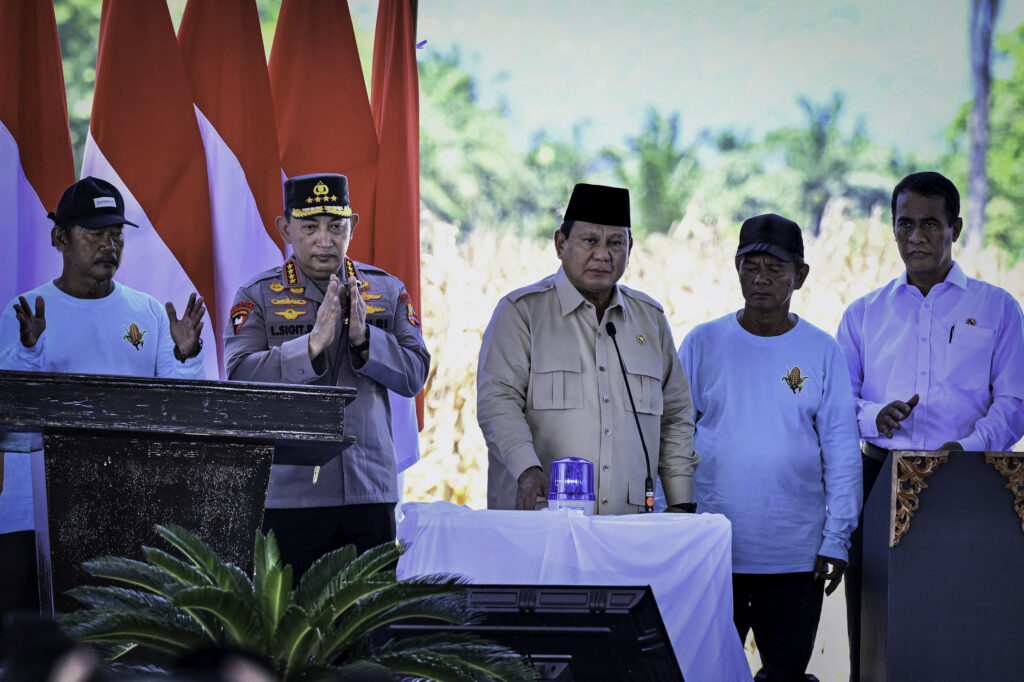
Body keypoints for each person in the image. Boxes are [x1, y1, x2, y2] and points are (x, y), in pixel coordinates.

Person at [837, 171, 1024, 681]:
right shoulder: (863, 315)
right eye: (904, 224)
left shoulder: (998, 308)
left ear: (955, 228)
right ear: (893, 229)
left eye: (930, 224)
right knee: (875, 617)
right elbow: (837, 402)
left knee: (963, 614)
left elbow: (1014, 402)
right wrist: (873, 415)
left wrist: (964, 447)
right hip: (876, 479)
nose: (915, 236)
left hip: (971, 480)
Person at [0, 176, 206, 617]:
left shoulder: (148, 311)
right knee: (29, 651)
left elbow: (181, 407)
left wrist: (187, 355)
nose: (109, 245)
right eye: (95, 233)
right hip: (34, 515)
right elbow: (9, 414)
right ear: (60, 237)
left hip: (123, 508)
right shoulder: (23, 312)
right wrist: (29, 351)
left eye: (116, 234)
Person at [678, 213, 861, 682]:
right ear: (736, 268)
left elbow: (841, 451)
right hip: (715, 551)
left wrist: (836, 538)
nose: (760, 278)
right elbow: (674, 437)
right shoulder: (703, 343)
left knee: (786, 675)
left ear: (800, 275)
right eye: (750, 265)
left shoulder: (822, 350)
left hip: (796, 556)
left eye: (776, 268)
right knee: (706, 673)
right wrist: (675, 526)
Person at [224, 173, 428, 575]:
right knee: (291, 629)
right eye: (309, 227)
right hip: (290, 496)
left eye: (336, 226)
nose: (324, 239)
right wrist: (310, 346)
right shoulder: (259, 295)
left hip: (369, 491)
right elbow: (240, 378)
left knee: (367, 626)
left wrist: (366, 339)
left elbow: (414, 373)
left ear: (351, 226)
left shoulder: (385, 291)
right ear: (285, 229)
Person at [477, 182, 698, 515]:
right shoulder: (522, 312)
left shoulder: (649, 320)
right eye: (590, 241)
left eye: (615, 243)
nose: (602, 254)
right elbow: (497, 402)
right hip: (544, 522)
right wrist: (526, 469)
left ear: (630, 247)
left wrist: (680, 501)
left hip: (628, 527)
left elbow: (677, 415)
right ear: (560, 243)